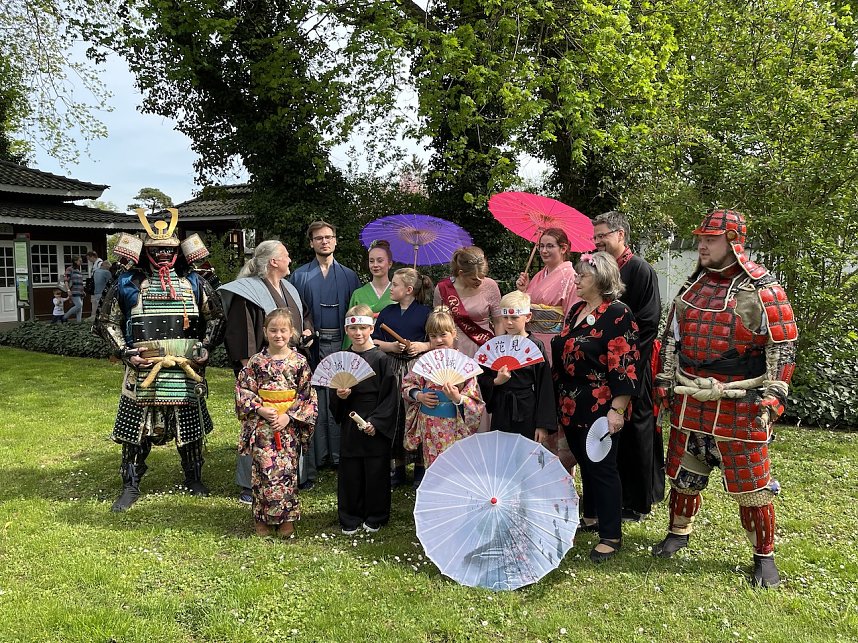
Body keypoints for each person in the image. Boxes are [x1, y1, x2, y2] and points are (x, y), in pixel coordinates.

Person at [651, 209, 797, 589]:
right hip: (691, 398)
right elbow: (671, 340)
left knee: (753, 489)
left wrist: (774, 397)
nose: (701, 244)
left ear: (734, 243)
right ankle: (678, 533)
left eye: (710, 239)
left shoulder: (763, 290)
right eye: (700, 237)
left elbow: (782, 349)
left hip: (740, 403)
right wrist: (665, 382)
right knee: (685, 477)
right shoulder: (691, 287)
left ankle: (764, 557)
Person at [93, 208, 226, 512]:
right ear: (145, 250)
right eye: (157, 250)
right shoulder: (127, 283)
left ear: (178, 250)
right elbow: (106, 322)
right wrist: (125, 352)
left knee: (189, 426)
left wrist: (206, 347)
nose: (164, 254)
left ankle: (194, 479)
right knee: (135, 428)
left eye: (169, 249)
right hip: (141, 367)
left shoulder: (194, 282)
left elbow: (217, 318)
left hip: (186, 366)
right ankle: (130, 485)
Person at [552, 252, 640, 563]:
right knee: (584, 463)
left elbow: (625, 364)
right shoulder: (576, 309)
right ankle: (590, 517)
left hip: (600, 405)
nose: (576, 279)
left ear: (601, 280)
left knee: (602, 468)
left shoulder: (618, 313)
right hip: (570, 402)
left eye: (582, 276)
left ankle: (611, 535)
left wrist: (617, 410)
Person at [219, 240, 314, 504]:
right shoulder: (247, 292)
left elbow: (303, 315)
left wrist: (306, 330)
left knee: (289, 422)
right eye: (286, 255)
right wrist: (253, 371)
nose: (290, 260)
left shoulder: (289, 289)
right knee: (260, 428)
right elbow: (242, 335)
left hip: (290, 366)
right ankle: (251, 484)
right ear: (273, 261)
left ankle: (289, 475)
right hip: (261, 372)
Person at [593, 211, 664, 522]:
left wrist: (626, 358)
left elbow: (649, 323)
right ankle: (614, 492)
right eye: (595, 237)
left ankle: (637, 499)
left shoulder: (640, 269)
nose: (597, 242)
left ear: (620, 235)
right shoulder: (601, 270)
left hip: (634, 363)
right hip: (604, 363)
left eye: (603, 236)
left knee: (636, 429)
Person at [235, 309, 318, 538]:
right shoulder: (257, 361)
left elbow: (306, 395)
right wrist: (260, 409)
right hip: (263, 425)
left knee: (286, 471)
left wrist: (288, 416)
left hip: (287, 425)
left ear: (292, 333)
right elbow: (243, 390)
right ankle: (262, 517)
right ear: (265, 332)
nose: (278, 335)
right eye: (273, 330)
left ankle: (285, 519)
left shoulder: (299, 361)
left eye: (283, 330)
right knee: (263, 469)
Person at [290, 220, 361, 487]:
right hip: (313, 345)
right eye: (318, 238)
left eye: (329, 237)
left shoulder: (349, 275)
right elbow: (296, 313)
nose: (324, 242)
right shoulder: (299, 276)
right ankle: (318, 455)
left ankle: (341, 453)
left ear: (335, 240)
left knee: (341, 395)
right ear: (311, 243)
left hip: (342, 342)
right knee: (316, 397)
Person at [515, 227, 581, 470]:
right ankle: (538, 463)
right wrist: (523, 292)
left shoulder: (570, 276)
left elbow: (572, 318)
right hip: (533, 344)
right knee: (538, 400)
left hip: (555, 345)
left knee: (553, 403)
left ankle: (561, 467)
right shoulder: (538, 275)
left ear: (564, 248)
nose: (543, 250)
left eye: (550, 245)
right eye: (541, 245)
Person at [330, 305, 398, 534]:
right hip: (351, 417)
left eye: (362, 328)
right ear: (347, 330)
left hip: (375, 419)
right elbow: (334, 396)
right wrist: (340, 396)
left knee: (376, 469)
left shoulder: (382, 359)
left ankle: (376, 514)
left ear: (372, 328)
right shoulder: (343, 359)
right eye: (353, 328)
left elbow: (390, 396)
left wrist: (376, 423)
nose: (358, 333)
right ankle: (350, 515)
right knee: (351, 469)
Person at [402, 306, 485, 467]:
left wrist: (458, 398)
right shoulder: (424, 362)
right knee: (432, 465)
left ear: (454, 334)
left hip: (454, 424)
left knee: (456, 465)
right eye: (433, 336)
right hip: (430, 423)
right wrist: (419, 395)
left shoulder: (464, 364)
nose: (438, 340)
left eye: (443, 335)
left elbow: (474, 402)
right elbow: (407, 385)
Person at [373, 267, 433, 488]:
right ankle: (397, 467)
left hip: (417, 370)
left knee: (415, 416)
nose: (391, 288)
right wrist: (391, 345)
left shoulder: (426, 313)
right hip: (391, 369)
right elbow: (375, 341)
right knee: (395, 415)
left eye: (395, 285)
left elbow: (437, 340)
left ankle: (419, 467)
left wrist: (422, 345)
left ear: (409, 290)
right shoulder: (387, 312)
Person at [433, 246, 500, 432]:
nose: (480, 281)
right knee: (454, 394)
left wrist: (501, 350)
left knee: (480, 395)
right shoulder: (443, 289)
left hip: (485, 349)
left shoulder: (491, 286)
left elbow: (499, 321)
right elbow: (439, 323)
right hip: (454, 350)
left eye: (482, 276)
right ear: (461, 273)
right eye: (474, 278)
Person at [478, 290, 555, 443]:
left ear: (528, 317)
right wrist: (495, 382)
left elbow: (545, 386)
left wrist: (542, 425)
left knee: (525, 453)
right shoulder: (496, 345)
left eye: (514, 317)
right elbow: (481, 379)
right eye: (505, 317)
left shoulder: (535, 346)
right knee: (501, 453)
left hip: (527, 409)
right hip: (501, 408)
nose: (509, 322)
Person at [343, 239, 394, 349]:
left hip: (392, 347)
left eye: (380, 261)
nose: (375, 265)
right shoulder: (358, 294)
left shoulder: (397, 293)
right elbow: (350, 325)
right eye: (371, 261)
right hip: (363, 350)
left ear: (390, 263)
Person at [63, 256, 85, 323]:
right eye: (79, 261)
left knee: (80, 308)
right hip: (73, 291)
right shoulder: (69, 269)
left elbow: (80, 282)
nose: (81, 262)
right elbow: (66, 281)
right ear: (75, 261)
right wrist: (68, 290)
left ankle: (79, 322)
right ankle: (64, 317)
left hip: (80, 291)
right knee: (79, 305)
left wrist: (83, 291)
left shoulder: (78, 271)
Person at [86, 250, 105, 319]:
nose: (89, 260)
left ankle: (97, 316)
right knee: (94, 300)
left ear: (93, 256)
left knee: (97, 301)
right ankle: (93, 316)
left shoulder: (99, 263)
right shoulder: (95, 264)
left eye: (89, 258)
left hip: (99, 286)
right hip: (95, 286)